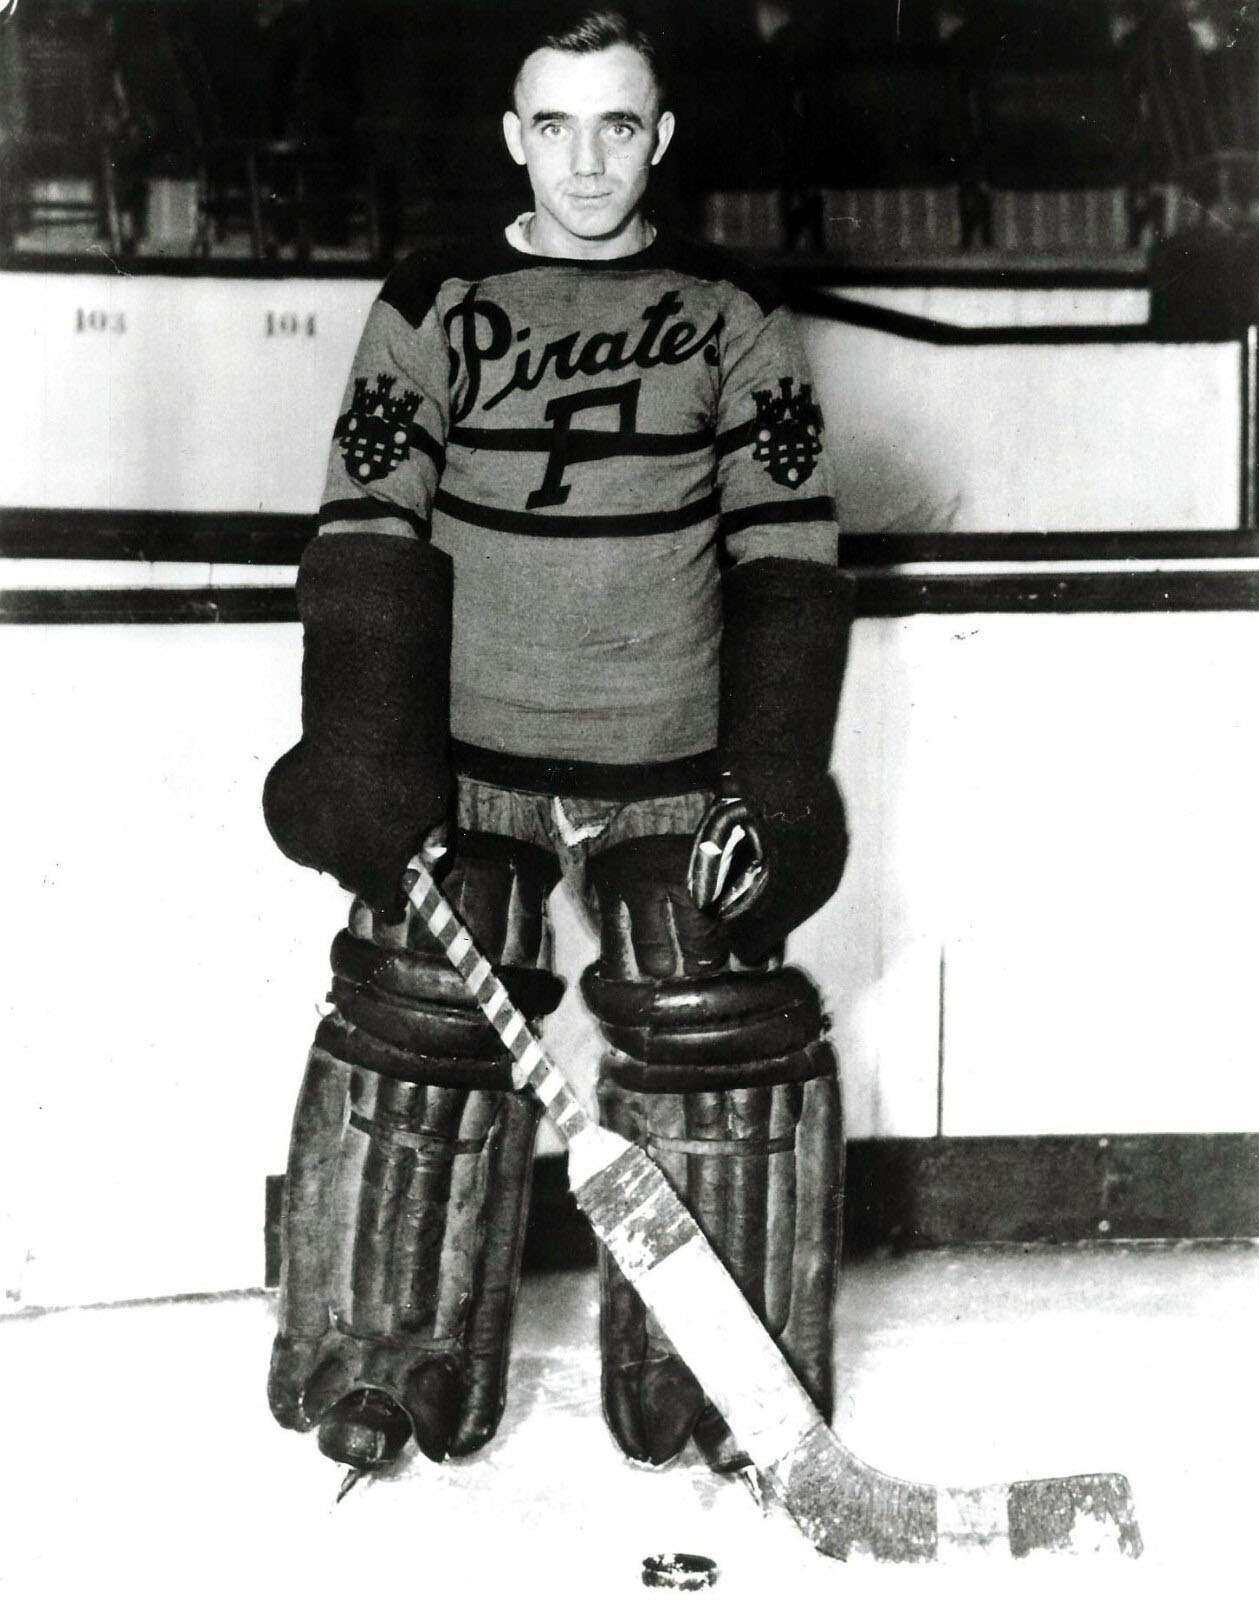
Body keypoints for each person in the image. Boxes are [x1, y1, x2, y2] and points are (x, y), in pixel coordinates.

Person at [263, 5, 855, 1482]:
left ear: (657, 138)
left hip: (669, 755)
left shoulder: (730, 311)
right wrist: (360, 747)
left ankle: (727, 1389)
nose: (585, 159)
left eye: (617, 125)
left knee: (713, 1025)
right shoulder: (435, 294)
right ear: (513, 136)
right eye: (555, 124)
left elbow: (784, 546)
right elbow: (367, 523)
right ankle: (381, 1368)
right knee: (422, 1014)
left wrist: (774, 781)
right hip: (470, 755)